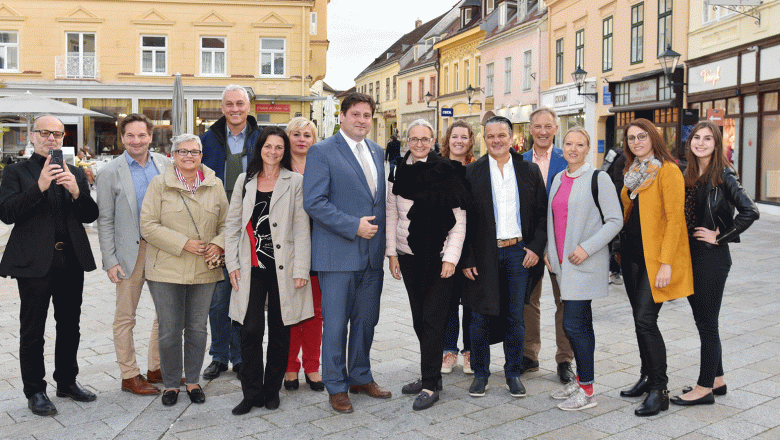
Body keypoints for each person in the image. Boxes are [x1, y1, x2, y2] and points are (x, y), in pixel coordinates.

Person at [0, 115, 99, 416]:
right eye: (44, 133)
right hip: (34, 263)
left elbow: (90, 214)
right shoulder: (16, 171)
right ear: (32, 136)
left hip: (70, 259)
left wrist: (77, 192)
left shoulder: (75, 172)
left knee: (70, 326)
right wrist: (39, 187)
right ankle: (35, 391)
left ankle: (67, 382)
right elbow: (6, 213)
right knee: (33, 329)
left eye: (56, 133)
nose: (50, 138)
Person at [303, 92, 389, 414]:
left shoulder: (377, 151)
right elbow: (314, 201)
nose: (361, 120)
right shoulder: (322, 151)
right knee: (336, 324)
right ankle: (336, 386)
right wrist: (353, 226)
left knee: (367, 321)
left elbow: (378, 200)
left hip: (371, 255)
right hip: (338, 254)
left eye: (367, 115)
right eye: (355, 114)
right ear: (342, 116)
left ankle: (360, 376)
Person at [225, 127, 313, 415]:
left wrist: (301, 268)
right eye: (268, 146)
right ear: (258, 148)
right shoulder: (245, 180)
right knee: (249, 330)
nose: (273, 152)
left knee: (280, 330)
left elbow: (302, 228)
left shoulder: (296, 181)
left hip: (284, 268)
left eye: (279, 147)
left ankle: (271, 389)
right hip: (251, 268)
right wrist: (232, 264)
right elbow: (233, 224)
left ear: (284, 151)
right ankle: (251, 393)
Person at [671, 121, 758, 406]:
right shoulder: (690, 173)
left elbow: (750, 211)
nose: (701, 143)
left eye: (708, 139)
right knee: (704, 321)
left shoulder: (724, 174)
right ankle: (717, 380)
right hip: (693, 256)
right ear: (690, 142)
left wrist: (721, 236)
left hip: (712, 257)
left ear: (716, 144)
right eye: (697, 137)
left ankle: (703, 387)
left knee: (707, 323)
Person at [462, 115, 547, 398]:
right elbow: (464, 222)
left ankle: (513, 373)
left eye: (502, 135)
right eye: (490, 136)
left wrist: (535, 248)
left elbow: (541, 215)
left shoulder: (529, 171)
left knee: (515, 317)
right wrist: (468, 258)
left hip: (518, 253)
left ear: (512, 138)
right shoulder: (472, 173)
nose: (496, 140)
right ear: (483, 139)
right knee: (479, 317)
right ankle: (481, 373)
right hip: (484, 254)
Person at [387, 119, 470, 410]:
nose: (419, 143)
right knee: (419, 319)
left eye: (425, 138)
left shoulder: (447, 170)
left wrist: (450, 258)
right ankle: (430, 374)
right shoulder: (398, 170)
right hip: (409, 255)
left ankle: (430, 384)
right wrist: (392, 253)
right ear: (407, 140)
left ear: (433, 140)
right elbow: (391, 213)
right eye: (414, 138)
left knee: (433, 320)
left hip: (438, 258)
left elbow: (459, 222)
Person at [140, 134, 228, 406]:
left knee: (197, 329)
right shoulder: (159, 184)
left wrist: (218, 244)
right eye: (182, 151)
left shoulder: (215, 185)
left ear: (202, 155)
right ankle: (170, 384)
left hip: (204, 270)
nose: (189, 156)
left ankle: (192, 381)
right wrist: (184, 243)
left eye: (194, 151)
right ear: (173, 155)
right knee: (169, 330)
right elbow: (148, 225)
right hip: (166, 269)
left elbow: (227, 224)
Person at [618, 118, 694, 417]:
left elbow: (676, 220)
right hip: (632, 256)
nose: (636, 142)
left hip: (655, 260)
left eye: (642, 137)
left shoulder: (668, 171)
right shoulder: (633, 173)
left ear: (654, 138)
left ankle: (659, 389)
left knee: (646, 320)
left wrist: (665, 264)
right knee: (639, 321)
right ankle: (646, 376)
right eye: (631, 138)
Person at [545, 127, 622, 410]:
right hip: (562, 265)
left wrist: (586, 248)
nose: (573, 149)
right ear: (562, 147)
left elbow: (615, 221)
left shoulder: (598, 178)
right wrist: (549, 252)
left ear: (588, 148)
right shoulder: (557, 179)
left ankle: (587, 390)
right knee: (578, 323)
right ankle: (580, 380)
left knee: (574, 324)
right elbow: (553, 219)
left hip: (583, 262)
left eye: (579, 144)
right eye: (568, 144)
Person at [96, 114, 170, 395]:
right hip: (130, 253)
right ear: (122, 138)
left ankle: (157, 367)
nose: (136, 141)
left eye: (142, 135)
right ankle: (129, 375)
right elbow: (105, 220)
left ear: (151, 137)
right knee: (125, 317)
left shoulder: (165, 165)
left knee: (166, 313)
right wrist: (110, 260)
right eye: (130, 136)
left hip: (162, 250)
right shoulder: (109, 172)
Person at [201, 85, 260, 380]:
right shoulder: (207, 140)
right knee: (219, 296)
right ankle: (219, 355)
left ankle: (240, 356)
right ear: (222, 107)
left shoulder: (262, 139)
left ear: (248, 107)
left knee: (245, 293)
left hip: (252, 223)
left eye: (240, 103)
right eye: (229, 104)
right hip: (218, 225)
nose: (235, 109)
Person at [521, 108, 575, 384]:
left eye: (548, 126)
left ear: (556, 128)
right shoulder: (518, 161)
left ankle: (565, 360)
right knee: (528, 300)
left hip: (560, 243)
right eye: (537, 126)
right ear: (530, 129)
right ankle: (529, 355)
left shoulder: (567, 159)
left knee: (563, 300)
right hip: (529, 244)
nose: (543, 131)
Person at [284, 117, 325, 392]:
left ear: (314, 139)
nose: (301, 139)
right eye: (296, 134)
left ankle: (312, 366)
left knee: (315, 311)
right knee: (289, 309)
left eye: (307, 135)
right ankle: (289, 366)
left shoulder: (322, 166)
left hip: (319, 245)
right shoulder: (277, 167)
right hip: (286, 248)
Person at [439, 120, 476, 375]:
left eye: (464, 136)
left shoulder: (477, 169)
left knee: (472, 302)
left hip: (473, 245)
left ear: (470, 140)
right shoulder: (437, 168)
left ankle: (470, 351)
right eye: (455, 136)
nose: (459, 141)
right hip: (445, 245)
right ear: (448, 139)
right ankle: (448, 350)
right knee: (449, 301)